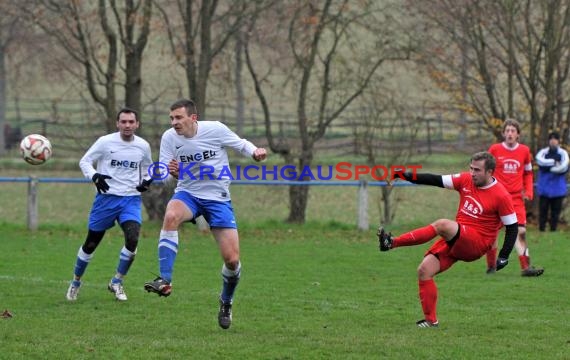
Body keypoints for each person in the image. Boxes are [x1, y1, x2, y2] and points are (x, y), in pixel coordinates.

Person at [144, 99, 267, 330]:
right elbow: (166, 177)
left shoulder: (215, 129)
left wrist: (255, 152)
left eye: (179, 118)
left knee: (232, 261)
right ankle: (165, 279)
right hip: (188, 194)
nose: (174, 123)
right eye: (171, 118)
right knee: (170, 216)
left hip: (217, 198)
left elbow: (240, 144)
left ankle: (226, 302)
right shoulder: (169, 137)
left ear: (193, 117)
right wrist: (170, 173)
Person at [377, 151, 518, 328]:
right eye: (471, 168)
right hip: (457, 238)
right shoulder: (466, 180)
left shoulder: (501, 195)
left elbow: (512, 227)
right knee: (424, 270)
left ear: (490, 172)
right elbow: (435, 179)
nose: (472, 173)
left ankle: (392, 242)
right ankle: (431, 321)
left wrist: (504, 255)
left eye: (478, 170)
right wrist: (405, 175)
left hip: (477, 243)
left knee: (443, 225)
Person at [66, 107, 154, 302]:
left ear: (137, 124)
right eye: (123, 122)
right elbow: (85, 161)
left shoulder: (143, 146)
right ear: (117, 124)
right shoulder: (105, 142)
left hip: (130, 199)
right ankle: (76, 282)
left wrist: (147, 180)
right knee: (90, 244)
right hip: (106, 200)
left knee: (132, 239)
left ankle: (117, 281)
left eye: (131, 122)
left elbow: (149, 167)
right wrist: (95, 175)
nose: (127, 125)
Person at [485, 118, 544, 276]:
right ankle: (491, 266)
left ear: (518, 134)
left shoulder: (524, 151)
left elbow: (528, 173)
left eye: (513, 131)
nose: (510, 134)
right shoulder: (495, 149)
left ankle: (526, 268)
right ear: (503, 133)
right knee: (491, 233)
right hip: (496, 198)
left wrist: (529, 190)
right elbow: (485, 170)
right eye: (507, 131)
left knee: (521, 231)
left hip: (516, 199)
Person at [535, 131, 569, 232]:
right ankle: (541, 229)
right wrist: (555, 162)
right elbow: (541, 164)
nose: (553, 141)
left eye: (555, 139)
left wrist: (548, 166)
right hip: (544, 188)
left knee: (555, 212)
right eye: (551, 139)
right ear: (549, 141)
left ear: (558, 141)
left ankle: (553, 230)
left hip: (558, 189)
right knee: (543, 211)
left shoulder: (563, 154)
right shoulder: (543, 153)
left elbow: (564, 168)